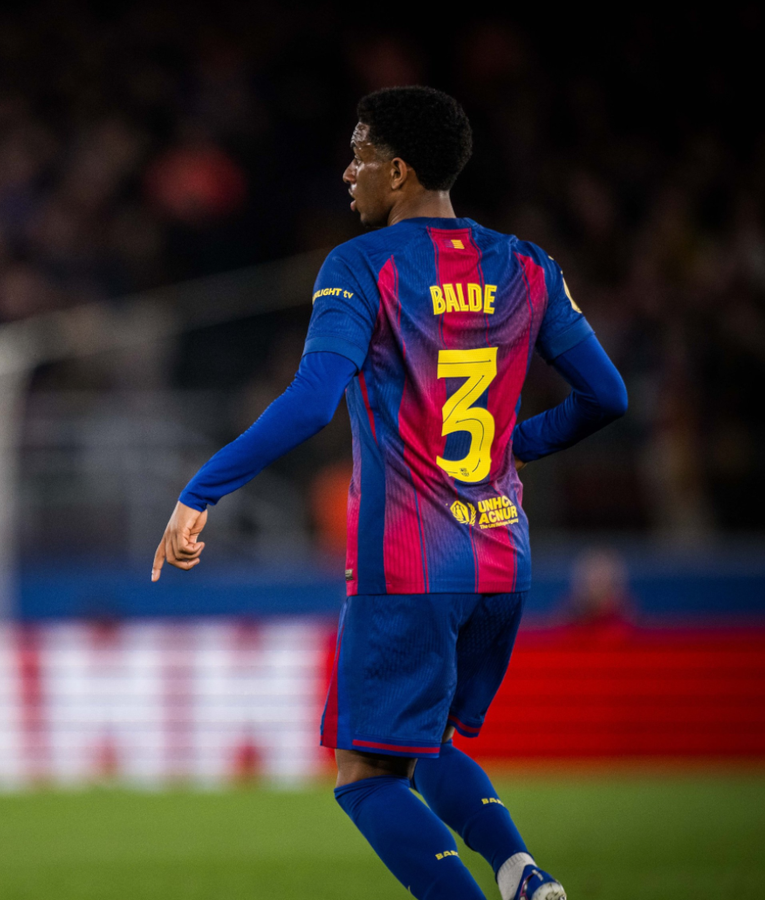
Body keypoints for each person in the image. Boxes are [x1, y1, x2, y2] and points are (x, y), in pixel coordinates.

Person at [152, 86, 627, 900]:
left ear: (399, 171)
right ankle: (522, 873)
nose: (348, 171)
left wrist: (203, 488)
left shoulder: (360, 266)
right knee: (424, 742)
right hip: (501, 558)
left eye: (360, 154)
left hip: (408, 561)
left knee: (364, 775)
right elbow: (607, 396)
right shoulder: (527, 264)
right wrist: (514, 445)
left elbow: (311, 402)